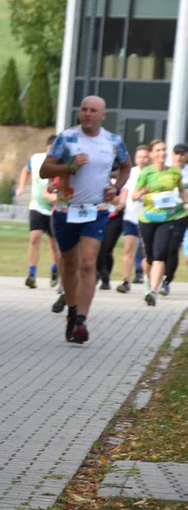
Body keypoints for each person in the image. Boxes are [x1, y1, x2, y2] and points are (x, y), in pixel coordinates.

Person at [39, 96, 129, 343]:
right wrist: (68, 165)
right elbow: (44, 170)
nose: (87, 114)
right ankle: (71, 310)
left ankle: (81, 320)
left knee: (88, 263)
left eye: (93, 110)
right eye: (84, 110)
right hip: (66, 210)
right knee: (68, 264)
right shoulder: (67, 138)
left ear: (103, 115)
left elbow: (126, 166)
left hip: (96, 210)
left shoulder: (113, 141)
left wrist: (116, 187)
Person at [133, 139, 188, 305]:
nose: (162, 153)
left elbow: (182, 192)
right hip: (148, 218)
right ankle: (147, 281)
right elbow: (134, 196)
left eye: (164, 150)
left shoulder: (174, 172)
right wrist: (144, 191)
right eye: (158, 150)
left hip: (167, 219)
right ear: (151, 154)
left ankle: (153, 291)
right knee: (149, 256)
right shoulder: (146, 172)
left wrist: (186, 203)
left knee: (160, 254)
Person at [15, 135, 60, 289]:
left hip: (54, 208)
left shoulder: (61, 163)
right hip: (37, 206)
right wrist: (21, 186)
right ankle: (32, 274)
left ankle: (55, 269)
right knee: (35, 238)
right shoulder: (36, 159)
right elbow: (25, 170)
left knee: (54, 243)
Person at [115, 145, 150, 294]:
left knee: (146, 251)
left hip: (147, 217)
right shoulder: (132, 173)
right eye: (139, 156)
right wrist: (121, 203)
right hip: (130, 215)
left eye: (145, 156)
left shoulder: (152, 173)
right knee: (128, 248)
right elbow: (125, 190)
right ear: (135, 158)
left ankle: (150, 283)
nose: (142, 159)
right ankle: (125, 280)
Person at [160, 142, 188, 294]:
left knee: (172, 247)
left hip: (182, 214)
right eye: (176, 153)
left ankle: (167, 280)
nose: (179, 156)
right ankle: (157, 276)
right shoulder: (166, 170)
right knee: (161, 247)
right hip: (164, 214)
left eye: (182, 154)